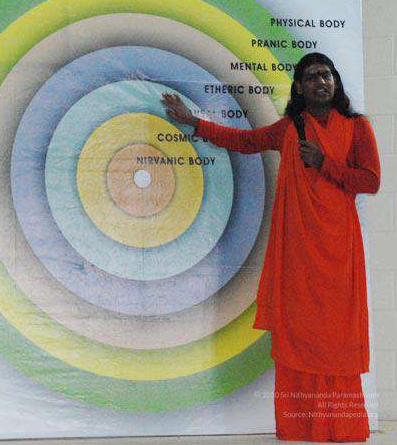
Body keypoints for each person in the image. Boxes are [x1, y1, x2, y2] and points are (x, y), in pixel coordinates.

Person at [161, 52, 381, 442]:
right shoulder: (288, 129)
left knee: (338, 333)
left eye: (326, 75)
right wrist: (194, 122)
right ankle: (301, 423)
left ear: (335, 82)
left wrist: (325, 163)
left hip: (339, 249)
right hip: (298, 250)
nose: (321, 82)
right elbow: (244, 142)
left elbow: (370, 181)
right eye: (312, 76)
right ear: (299, 88)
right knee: (301, 331)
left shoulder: (357, 127)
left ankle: (339, 424)